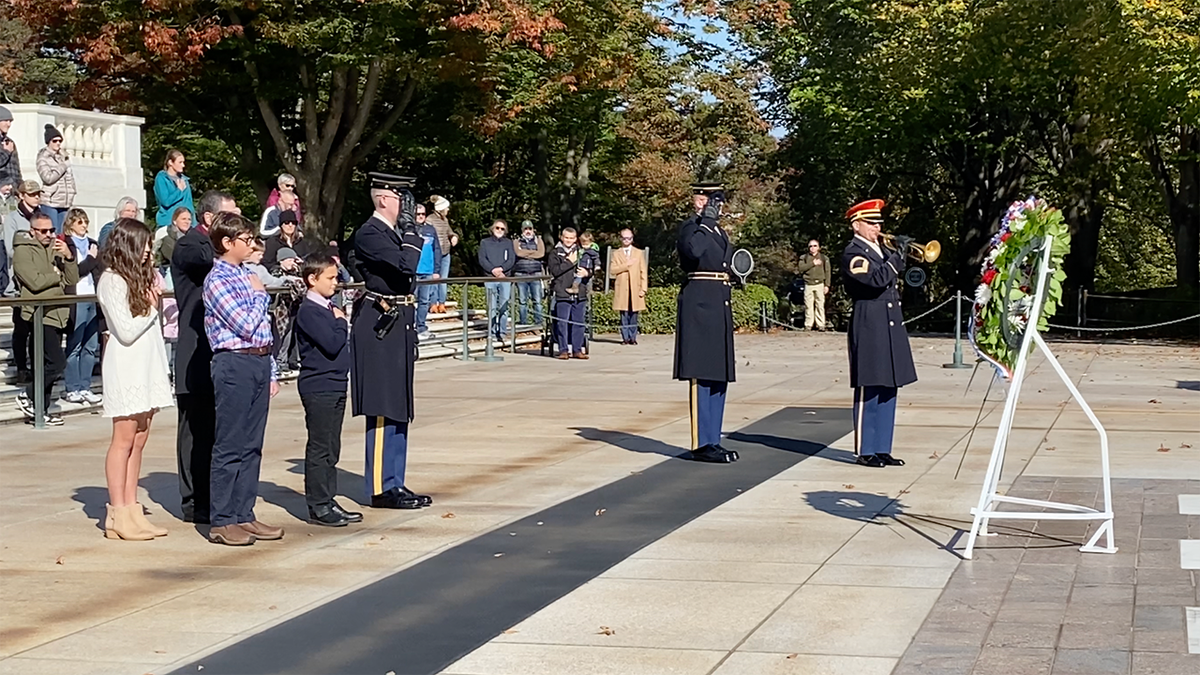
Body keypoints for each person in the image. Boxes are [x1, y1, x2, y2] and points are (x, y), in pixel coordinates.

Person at [351, 172, 432, 510]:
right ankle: (382, 487)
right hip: (379, 324)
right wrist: (413, 230)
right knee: (384, 407)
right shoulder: (370, 233)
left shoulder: (391, 233)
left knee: (399, 405)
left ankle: (395, 481)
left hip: (398, 322)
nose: (405, 207)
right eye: (401, 199)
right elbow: (406, 264)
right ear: (384, 199)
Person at [203, 212, 283, 546]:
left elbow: (264, 332)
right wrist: (260, 295)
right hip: (233, 363)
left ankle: (244, 512)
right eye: (246, 240)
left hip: (258, 362)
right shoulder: (217, 280)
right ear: (227, 242)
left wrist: (272, 369)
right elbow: (246, 324)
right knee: (230, 443)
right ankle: (222, 519)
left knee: (253, 445)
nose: (251, 245)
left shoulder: (248, 275)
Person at [95, 219, 175, 540]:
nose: (147, 251)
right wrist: (152, 307)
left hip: (147, 363)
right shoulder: (111, 281)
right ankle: (118, 512)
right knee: (124, 438)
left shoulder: (139, 278)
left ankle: (132, 508)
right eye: (142, 245)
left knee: (140, 438)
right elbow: (125, 329)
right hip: (126, 365)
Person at [171, 190, 237, 524]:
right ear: (209, 220)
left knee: (216, 428)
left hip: (220, 349)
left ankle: (218, 496)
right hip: (195, 349)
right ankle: (195, 500)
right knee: (195, 429)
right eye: (230, 219)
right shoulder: (190, 244)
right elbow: (207, 260)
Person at [841, 199, 916, 468]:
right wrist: (898, 257)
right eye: (871, 223)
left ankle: (883, 447)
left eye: (879, 223)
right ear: (856, 225)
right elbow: (874, 280)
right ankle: (866, 449)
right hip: (869, 320)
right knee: (869, 387)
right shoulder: (853, 253)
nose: (877, 227)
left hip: (889, 320)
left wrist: (898, 256)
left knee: (888, 385)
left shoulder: (881, 250)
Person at [295, 252, 361, 527]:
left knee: (332, 446)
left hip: (335, 383)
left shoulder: (327, 307)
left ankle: (328, 497)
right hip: (319, 385)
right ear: (313, 279)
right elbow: (332, 343)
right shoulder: (309, 310)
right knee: (320, 446)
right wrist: (340, 320)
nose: (336, 283)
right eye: (330, 278)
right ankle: (318, 503)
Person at [674, 182, 738, 463]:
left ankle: (714, 437)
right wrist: (706, 220)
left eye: (716, 200)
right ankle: (702, 442)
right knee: (702, 374)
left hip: (718, 301)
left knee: (718, 374)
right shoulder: (691, 227)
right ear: (697, 200)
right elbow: (692, 253)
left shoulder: (717, 229)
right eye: (709, 199)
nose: (714, 205)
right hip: (699, 305)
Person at [12, 211, 77, 426]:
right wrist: (55, 276)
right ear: (33, 231)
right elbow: (34, 282)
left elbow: (72, 279)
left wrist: (68, 257)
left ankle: (42, 408)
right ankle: (28, 395)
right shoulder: (22, 250)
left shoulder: (55, 248)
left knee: (47, 364)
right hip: (39, 314)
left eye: (51, 230)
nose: (49, 235)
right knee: (57, 363)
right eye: (43, 231)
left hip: (58, 312)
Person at [62, 209, 103, 405]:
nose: (84, 226)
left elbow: (98, 269)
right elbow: (74, 272)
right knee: (75, 344)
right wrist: (91, 260)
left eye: (85, 222)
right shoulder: (65, 244)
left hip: (92, 296)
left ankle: (85, 386)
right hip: (76, 297)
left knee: (90, 345)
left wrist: (93, 260)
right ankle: (72, 387)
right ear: (70, 224)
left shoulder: (92, 244)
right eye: (79, 222)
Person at [547, 227, 588, 360]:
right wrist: (569, 261)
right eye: (566, 237)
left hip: (579, 292)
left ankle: (577, 349)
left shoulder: (582, 252)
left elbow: (591, 266)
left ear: (575, 239)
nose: (569, 240)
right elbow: (555, 271)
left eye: (571, 238)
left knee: (578, 323)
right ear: (562, 237)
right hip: (562, 291)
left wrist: (588, 273)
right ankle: (563, 350)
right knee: (562, 323)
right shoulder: (554, 253)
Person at [478, 219, 515, 342]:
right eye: (497, 228)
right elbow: (482, 259)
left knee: (504, 307)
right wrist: (492, 270)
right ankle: (492, 332)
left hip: (505, 277)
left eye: (502, 228)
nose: (499, 230)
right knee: (492, 307)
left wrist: (502, 269)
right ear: (492, 229)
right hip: (490, 277)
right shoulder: (485, 242)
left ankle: (503, 331)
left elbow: (511, 259)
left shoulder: (508, 243)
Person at [610, 228, 647, 345]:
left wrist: (643, 288)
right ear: (621, 238)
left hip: (635, 288)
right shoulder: (616, 253)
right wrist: (626, 265)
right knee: (624, 314)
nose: (627, 240)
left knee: (634, 314)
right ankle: (625, 338)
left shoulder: (638, 253)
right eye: (625, 238)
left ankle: (633, 337)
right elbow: (612, 270)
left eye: (629, 238)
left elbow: (643, 272)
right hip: (622, 288)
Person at [36, 125, 76, 233]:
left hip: (65, 203)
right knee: (51, 232)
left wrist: (72, 191)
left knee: (62, 235)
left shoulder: (63, 156)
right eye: (55, 141)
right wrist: (63, 166)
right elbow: (48, 178)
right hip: (51, 202)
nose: (58, 143)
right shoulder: (43, 157)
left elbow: (70, 178)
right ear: (48, 142)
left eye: (60, 141)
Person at [414, 203, 442, 340]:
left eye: (422, 214)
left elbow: (437, 250)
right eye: (417, 214)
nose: (420, 217)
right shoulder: (408, 230)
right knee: (410, 301)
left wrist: (437, 270)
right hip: (412, 272)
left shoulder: (431, 230)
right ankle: (409, 326)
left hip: (428, 271)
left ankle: (421, 326)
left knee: (424, 301)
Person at [425, 196, 457, 313]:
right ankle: (433, 303)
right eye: (446, 207)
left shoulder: (445, 220)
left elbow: (449, 232)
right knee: (434, 278)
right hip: (434, 253)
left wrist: (454, 236)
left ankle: (442, 303)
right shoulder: (430, 220)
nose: (448, 210)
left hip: (445, 253)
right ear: (441, 208)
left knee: (443, 280)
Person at [512, 220, 545, 326]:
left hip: (535, 274)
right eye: (525, 229)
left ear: (533, 230)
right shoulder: (516, 241)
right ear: (522, 230)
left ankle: (538, 323)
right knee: (522, 301)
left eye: (530, 229)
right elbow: (517, 252)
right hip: (521, 274)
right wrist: (533, 253)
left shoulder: (538, 240)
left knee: (537, 301)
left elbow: (541, 253)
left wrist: (525, 254)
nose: (528, 231)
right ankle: (523, 323)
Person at [264, 210, 315, 275]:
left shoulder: (301, 242)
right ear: (281, 225)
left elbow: (310, 261)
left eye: (293, 223)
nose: (290, 225)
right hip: (280, 277)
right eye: (286, 222)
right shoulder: (273, 242)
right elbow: (266, 263)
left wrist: (302, 262)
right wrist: (281, 266)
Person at [154, 149, 195, 229]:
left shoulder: (184, 180)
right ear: (170, 163)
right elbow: (165, 201)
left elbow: (189, 203)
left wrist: (193, 222)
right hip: (168, 223)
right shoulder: (162, 178)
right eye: (180, 162)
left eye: (183, 162)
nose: (183, 165)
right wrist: (179, 191)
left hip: (186, 225)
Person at [797, 238, 831, 330]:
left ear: (818, 247)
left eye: (815, 246)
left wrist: (827, 285)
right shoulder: (804, 258)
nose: (812, 248)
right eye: (811, 246)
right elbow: (801, 269)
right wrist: (813, 263)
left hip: (820, 284)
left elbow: (827, 272)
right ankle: (808, 324)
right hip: (808, 284)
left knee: (820, 305)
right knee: (808, 305)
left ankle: (821, 325)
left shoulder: (824, 258)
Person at [155, 207, 192, 273]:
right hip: (168, 269)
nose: (187, 222)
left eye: (189, 219)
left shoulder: (194, 235)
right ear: (174, 221)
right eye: (183, 219)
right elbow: (174, 258)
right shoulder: (165, 234)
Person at [0, 106, 21, 201]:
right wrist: (6, 152)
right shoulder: (8, 147)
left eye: (10, 121)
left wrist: (19, 185)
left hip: (13, 191)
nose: (9, 124)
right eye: (6, 121)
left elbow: (16, 168)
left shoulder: (10, 142)